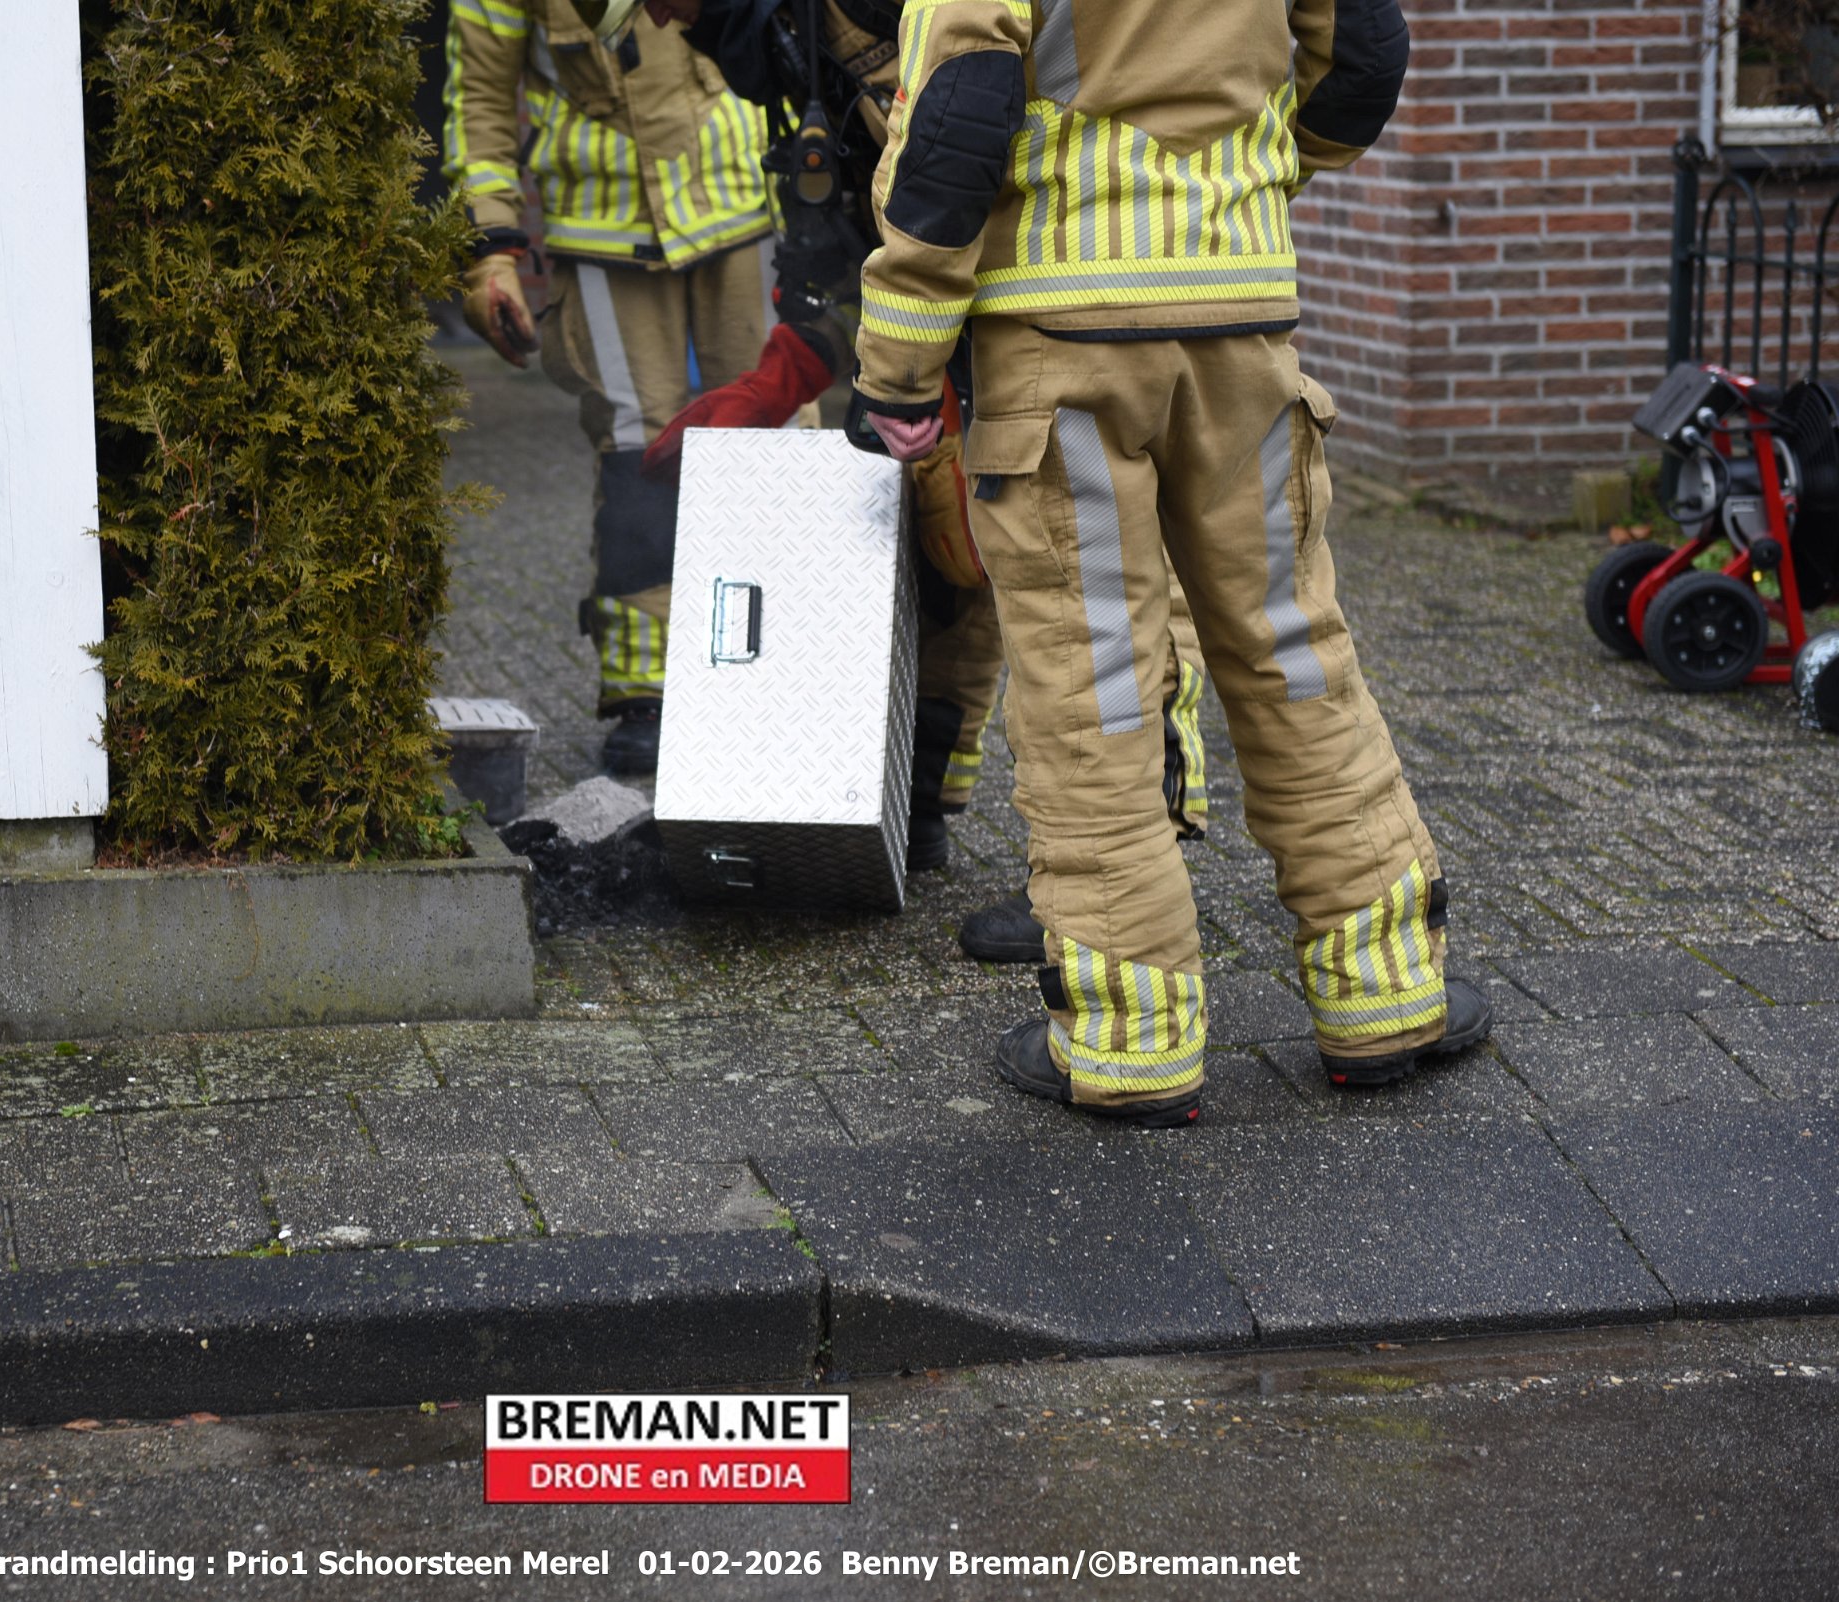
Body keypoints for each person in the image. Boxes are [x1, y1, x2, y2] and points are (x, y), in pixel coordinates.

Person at [844, 0, 1491, 1124]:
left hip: (1064, 339)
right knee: (1294, 652)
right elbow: (1364, 53)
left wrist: (899, 362)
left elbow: (958, 109)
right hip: (1243, 314)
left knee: (1092, 686)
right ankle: (1385, 990)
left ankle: (1131, 1039)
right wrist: (1249, 180)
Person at [627, 0, 1209, 935]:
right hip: (966, 309)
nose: (661, 19)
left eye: (669, 1)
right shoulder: (789, 35)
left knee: (1092, 583)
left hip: (1068, 297)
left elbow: (953, 160)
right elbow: (873, 215)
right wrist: (807, 358)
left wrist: (906, 357)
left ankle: (1119, 880)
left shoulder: (867, 12)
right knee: (948, 556)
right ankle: (922, 802)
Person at [443, 0, 780, 775]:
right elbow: (480, 96)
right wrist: (490, 250)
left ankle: (777, 667)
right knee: (638, 454)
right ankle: (647, 692)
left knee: (771, 447)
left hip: (745, 202)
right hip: (603, 225)